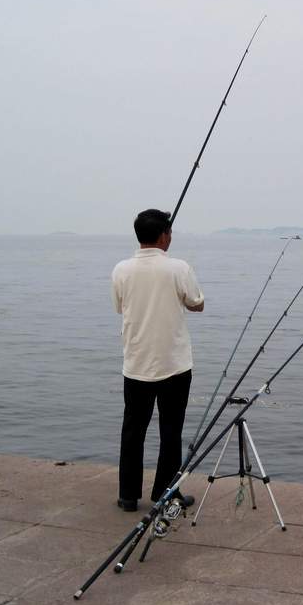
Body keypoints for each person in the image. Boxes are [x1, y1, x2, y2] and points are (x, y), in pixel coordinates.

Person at [111, 209, 205, 512]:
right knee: (170, 430)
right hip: (173, 364)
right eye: (170, 232)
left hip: (136, 362)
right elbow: (197, 304)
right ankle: (165, 494)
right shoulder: (179, 267)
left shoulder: (121, 270)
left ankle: (128, 496)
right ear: (164, 236)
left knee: (133, 430)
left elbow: (119, 307)